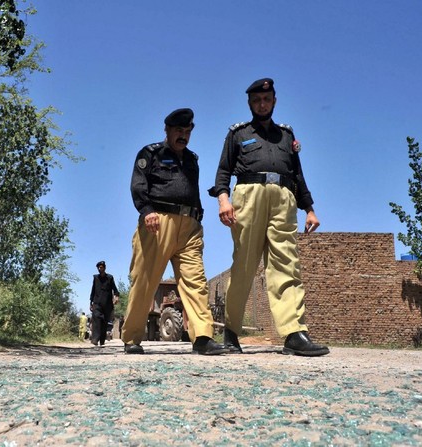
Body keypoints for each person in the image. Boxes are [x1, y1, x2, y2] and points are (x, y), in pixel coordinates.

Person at [209, 78, 329, 357]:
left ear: (274, 101)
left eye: (266, 99)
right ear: (250, 104)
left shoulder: (286, 135)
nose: (262, 104)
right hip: (248, 196)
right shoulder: (238, 133)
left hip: (284, 197)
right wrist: (223, 200)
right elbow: (223, 171)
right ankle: (231, 333)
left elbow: (297, 174)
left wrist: (309, 208)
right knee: (244, 265)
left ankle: (294, 333)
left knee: (287, 263)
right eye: (256, 100)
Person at [122, 108, 227, 355]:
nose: (184, 135)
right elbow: (138, 184)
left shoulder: (192, 159)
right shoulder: (151, 153)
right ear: (167, 130)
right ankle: (132, 338)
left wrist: (198, 217)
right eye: (179, 130)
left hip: (190, 227)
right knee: (144, 281)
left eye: (188, 131)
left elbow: (192, 190)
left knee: (196, 282)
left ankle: (202, 337)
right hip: (157, 223)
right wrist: (146, 210)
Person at [89, 261, 120, 346]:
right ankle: (95, 339)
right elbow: (93, 290)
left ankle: (102, 340)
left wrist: (116, 296)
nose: (100, 269)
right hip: (97, 303)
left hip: (107, 304)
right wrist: (91, 302)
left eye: (101, 267)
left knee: (104, 322)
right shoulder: (96, 278)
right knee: (96, 320)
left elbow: (115, 289)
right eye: (98, 267)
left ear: (104, 268)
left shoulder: (110, 278)